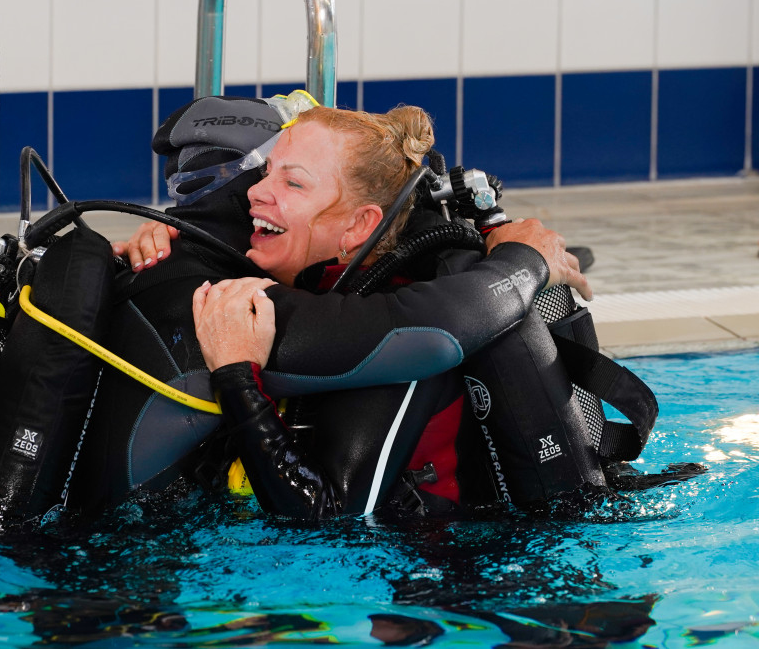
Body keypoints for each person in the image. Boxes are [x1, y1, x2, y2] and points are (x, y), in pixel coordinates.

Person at [109, 101, 593, 520]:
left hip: (436, 584)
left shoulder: (396, 339)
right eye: (266, 172)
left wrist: (237, 378)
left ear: (359, 227)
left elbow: (325, 515)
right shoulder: (315, 281)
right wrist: (162, 243)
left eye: (293, 183)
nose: (255, 192)